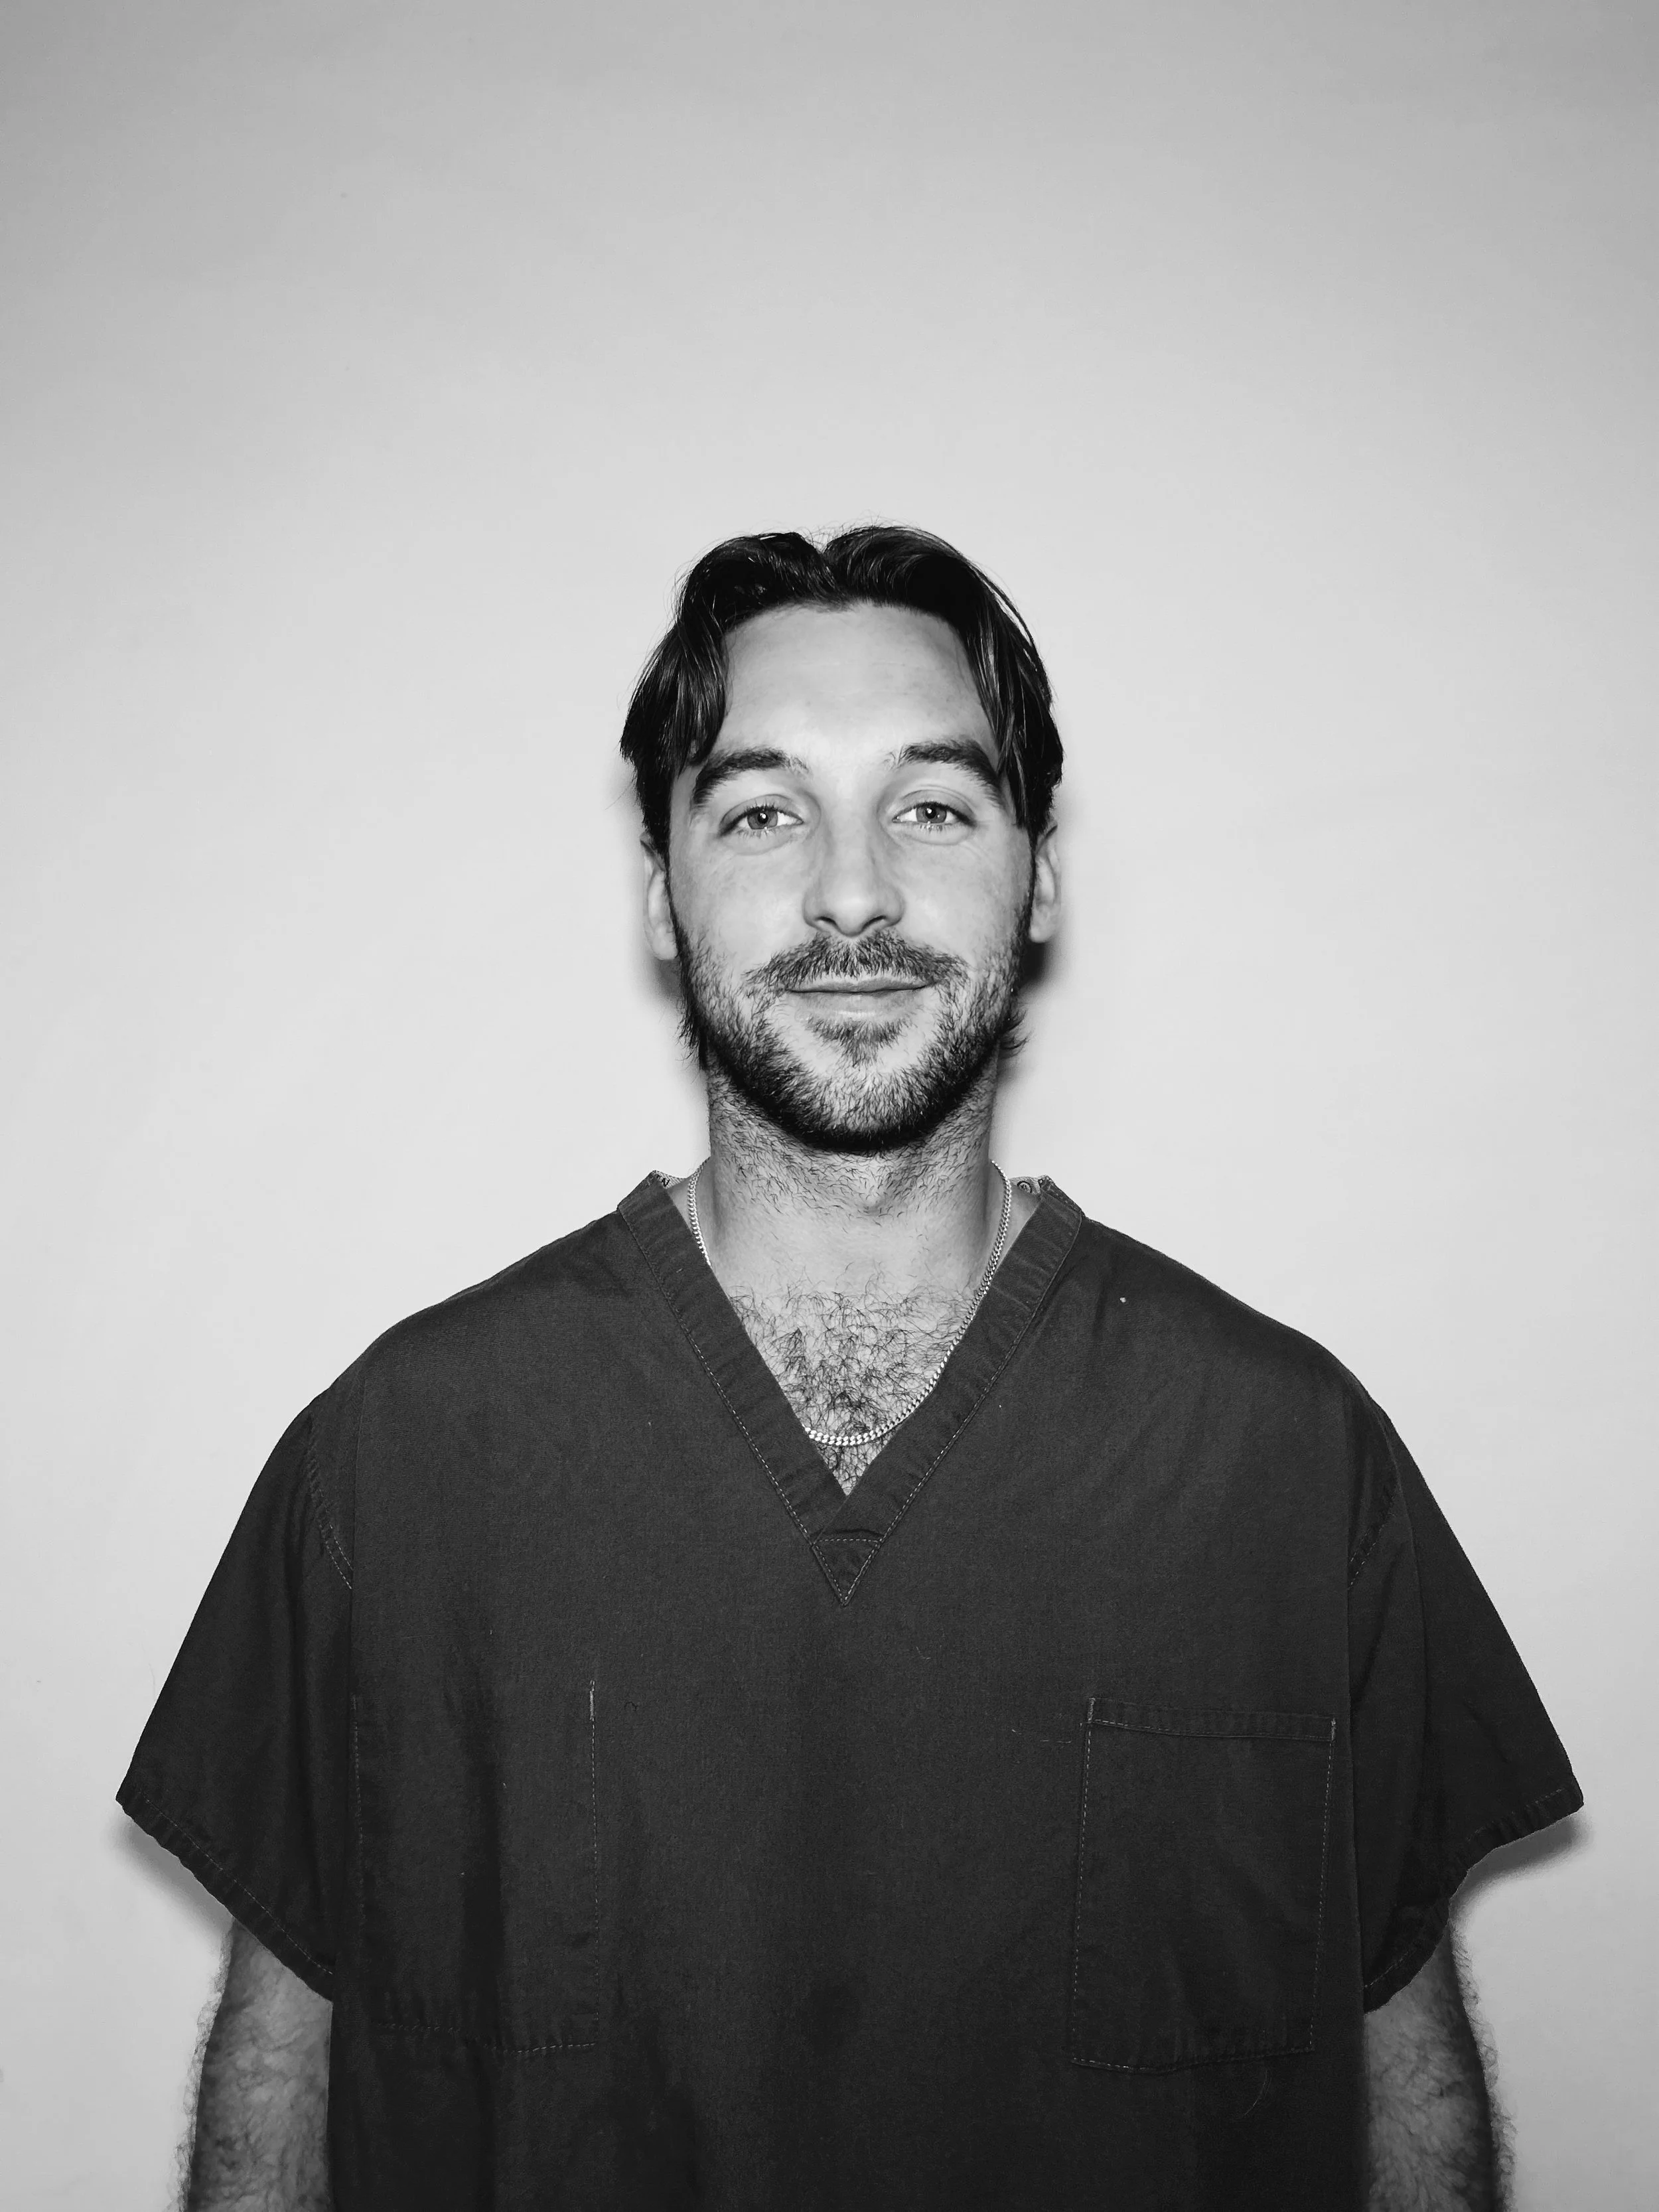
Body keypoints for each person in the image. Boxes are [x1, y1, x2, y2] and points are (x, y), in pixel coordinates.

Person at [120, 526, 1581, 2211]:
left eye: (931, 806)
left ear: (1037, 877)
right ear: (661, 894)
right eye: (761, 812)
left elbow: (1400, 2071)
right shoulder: (402, 1456)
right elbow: (283, 2070)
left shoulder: (1286, 1461)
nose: (851, 892)